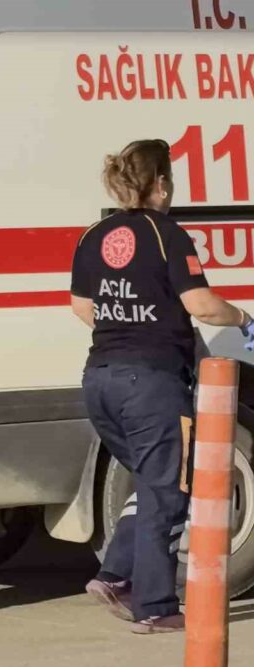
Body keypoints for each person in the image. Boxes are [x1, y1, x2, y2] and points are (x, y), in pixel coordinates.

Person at [70, 138, 254, 634]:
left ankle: (114, 575)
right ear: (162, 184)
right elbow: (202, 306)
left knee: (153, 481)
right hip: (151, 383)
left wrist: (126, 327)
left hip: (99, 380)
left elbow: (82, 306)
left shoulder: (94, 235)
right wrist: (244, 319)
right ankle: (154, 606)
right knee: (170, 490)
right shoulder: (167, 234)